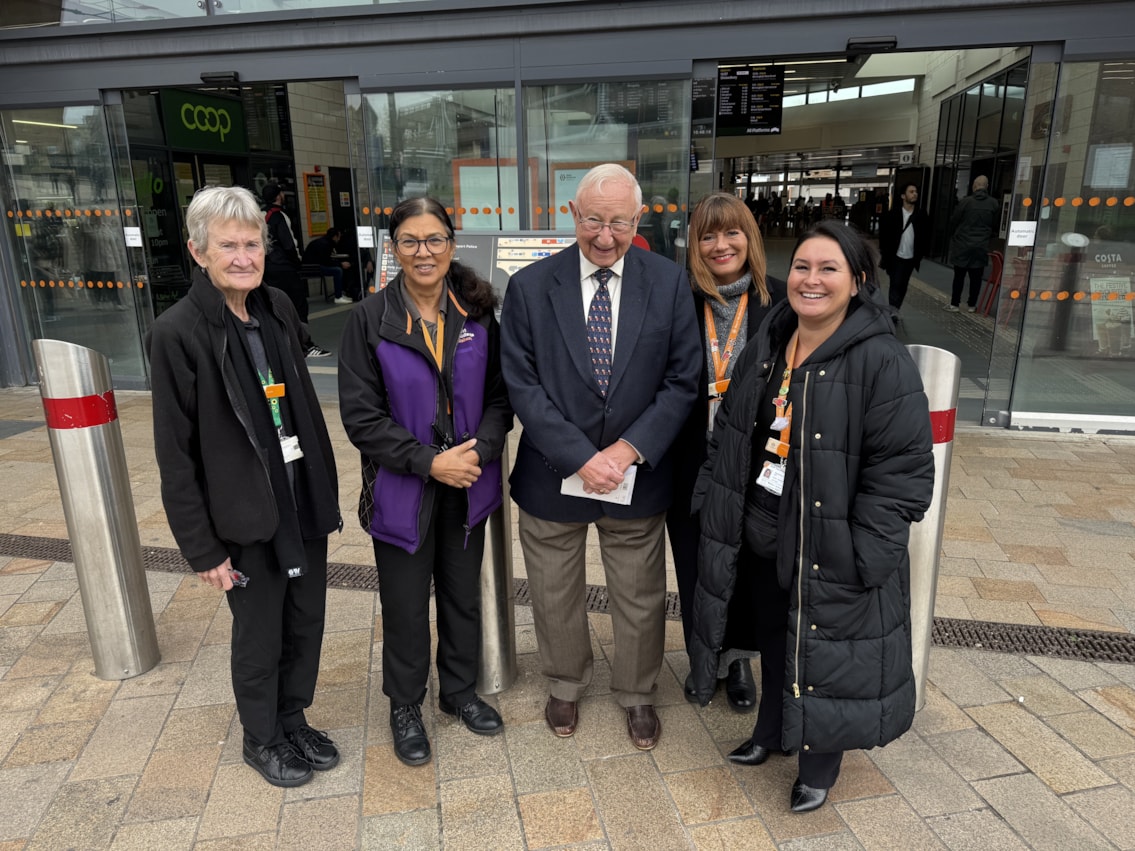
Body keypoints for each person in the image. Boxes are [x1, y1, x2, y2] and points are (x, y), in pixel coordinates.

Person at [689, 220, 934, 813]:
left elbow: (902, 472)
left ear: (858, 280)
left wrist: (865, 552)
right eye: (802, 266)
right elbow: (731, 429)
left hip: (832, 540)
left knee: (826, 649)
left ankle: (819, 765)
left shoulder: (881, 358)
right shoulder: (771, 339)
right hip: (762, 525)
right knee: (777, 635)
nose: (811, 279)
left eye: (829, 269)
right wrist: (711, 496)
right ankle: (772, 730)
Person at [146, 186, 342, 788]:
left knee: (305, 621)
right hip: (245, 514)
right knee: (260, 634)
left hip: (300, 499)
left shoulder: (276, 305)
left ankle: (293, 718)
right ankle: (262, 737)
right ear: (198, 252)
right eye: (228, 246)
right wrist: (202, 548)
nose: (242, 257)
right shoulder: (177, 332)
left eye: (252, 244)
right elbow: (175, 454)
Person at [501, 163, 701, 751]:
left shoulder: (668, 283)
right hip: (552, 471)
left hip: (637, 472)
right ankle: (564, 681)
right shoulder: (531, 287)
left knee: (640, 592)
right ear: (572, 214)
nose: (606, 237)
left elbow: (682, 380)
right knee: (552, 589)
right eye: (593, 221)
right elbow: (522, 384)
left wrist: (626, 450)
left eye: (619, 223)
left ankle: (637, 691)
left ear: (639, 219)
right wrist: (580, 456)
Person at [338, 197, 513, 767]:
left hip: (469, 482)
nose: (424, 252)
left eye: (434, 239)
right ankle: (405, 705)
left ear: (451, 245)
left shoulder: (478, 313)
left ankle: (458, 691)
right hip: (402, 490)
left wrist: (480, 451)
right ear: (394, 250)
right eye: (410, 241)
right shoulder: (369, 319)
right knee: (406, 607)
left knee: (462, 597)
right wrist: (427, 462)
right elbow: (362, 418)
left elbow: (500, 398)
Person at [667, 192, 786, 712]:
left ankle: (738, 661)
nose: (721, 245)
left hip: (754, 459)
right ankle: (703, 660)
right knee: (694, 561)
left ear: (749, 237)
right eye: (708, 235)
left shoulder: (779, 302)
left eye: (731, 232)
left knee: (746, 563)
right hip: (690, 456)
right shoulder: (679, 299)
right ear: (694, 244)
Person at [261, 182, 332, 356]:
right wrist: (297, 263)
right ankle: (305, 345)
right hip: (284, 268)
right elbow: (288, 244)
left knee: (274, 306)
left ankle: (282, 344)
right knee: (298, 306)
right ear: (278, 196)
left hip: (266, 268)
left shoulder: (259, 215)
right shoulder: (279, 216)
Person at [946, 175, 1000, 312]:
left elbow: (954, 220)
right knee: (976, 277)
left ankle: (955, 304)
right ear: (986, 187)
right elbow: (995, 225)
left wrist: (954, 236)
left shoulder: (965, 202)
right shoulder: (994, 203)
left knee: (959, 276)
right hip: (981, 245)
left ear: (974, 186)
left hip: (962, 244)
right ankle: (972, 305)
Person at [878, 182, 930, 317]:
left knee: (903, 284)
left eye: (916, 192)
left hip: (911, 257)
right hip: (895, 256)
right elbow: (884, 235)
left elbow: (925, 235)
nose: (915, 194)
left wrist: (921, 253)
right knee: (895, 283)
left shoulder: (921, 214)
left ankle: (896, 308)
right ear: (903, 196)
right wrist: (884, 252)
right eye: (911, 192)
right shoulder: (893, 214)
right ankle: (893, 311)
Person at [302, 226, 354, 304]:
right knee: (338, 271)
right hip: (313, 268)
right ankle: (338, 297)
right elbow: (326, 261)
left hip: (311, 266)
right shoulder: (325, 244)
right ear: (334, 237)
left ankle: (339, 294)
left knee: (338, 269)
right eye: (339, 237)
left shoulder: (323, 241)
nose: (339, 239)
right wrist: (340, 264)